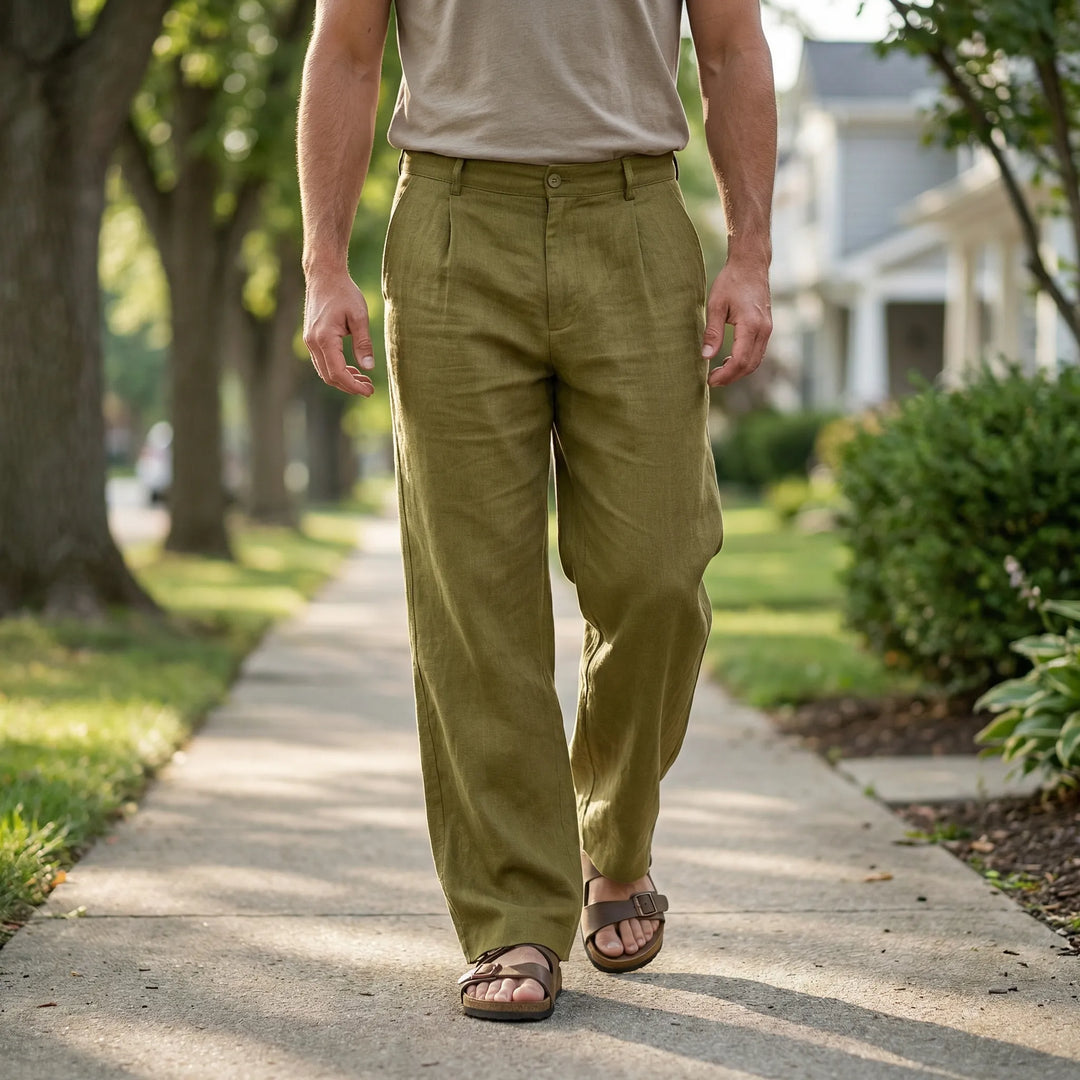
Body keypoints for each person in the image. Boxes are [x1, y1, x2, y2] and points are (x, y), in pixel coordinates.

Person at [298, 0, 776, 1022]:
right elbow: (344, 51)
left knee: (656, 572)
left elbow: (733, 49)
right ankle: (514, 913)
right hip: (453, 223)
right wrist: (322, 263)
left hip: (636, 215)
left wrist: (752, 252)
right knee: (475, 596)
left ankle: (616, 835)